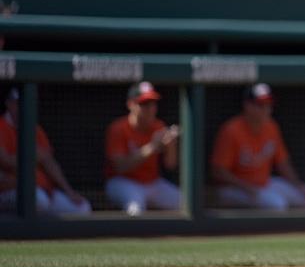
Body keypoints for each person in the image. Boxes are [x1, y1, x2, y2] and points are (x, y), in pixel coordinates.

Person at [210, 83, 305, 210]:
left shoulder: (271, 127)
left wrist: (299, 186)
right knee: (276, 204)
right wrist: (247, 188)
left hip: (265, 183)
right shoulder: (231, 130)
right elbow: (218, 172)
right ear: (247, 105)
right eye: (261, 105)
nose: (266, 109)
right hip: (233, 189)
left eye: (268, 105)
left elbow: (283, 163)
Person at [0, 87, 92, 214]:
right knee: (39, 201)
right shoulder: (2, 126)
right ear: (8, 104)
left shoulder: (35, 129)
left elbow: (49, 162)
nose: (22, 107)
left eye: (25, 103)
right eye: (17, 103)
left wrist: (69, 192)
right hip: (9, 190)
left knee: (82, 208)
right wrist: (32, 155)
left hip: (42, 189)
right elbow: (5, 160)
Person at [104, 81, 181, 215]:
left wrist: (171, 145)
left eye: (153, 103)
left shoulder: (159, 126)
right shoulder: (118, 128)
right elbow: (120, 167)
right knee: (136, 210)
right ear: (131, 105)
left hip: (153, 183)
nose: (150, 108)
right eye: (144, 104)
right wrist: (152, 147)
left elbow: (170, 165)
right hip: (122, 182)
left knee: (185, 204)